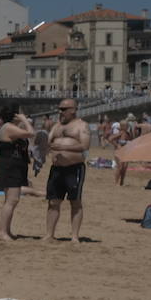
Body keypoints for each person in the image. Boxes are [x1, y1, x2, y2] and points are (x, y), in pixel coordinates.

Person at [45, 99, 91, 243]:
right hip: (57, 168)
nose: (60, 112)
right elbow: (48, 142)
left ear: (73, 110)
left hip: (74, 168)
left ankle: (74, 236)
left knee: (75, 201)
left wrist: (63, 148)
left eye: (64, 109)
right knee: (53, 202)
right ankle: (49, 234)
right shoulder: (56, 126)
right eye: (59, 109)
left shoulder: (81, 126)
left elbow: (85, 145)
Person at [0, 104, 35, 240]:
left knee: (11, 200)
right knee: (12, 200)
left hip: (13, 166)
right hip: (9, 167)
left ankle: (6, 230)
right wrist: (24, 120)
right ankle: (2, 232)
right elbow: (31, 133)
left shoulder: (11, 127)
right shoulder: (9, 127)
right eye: (21, 112)